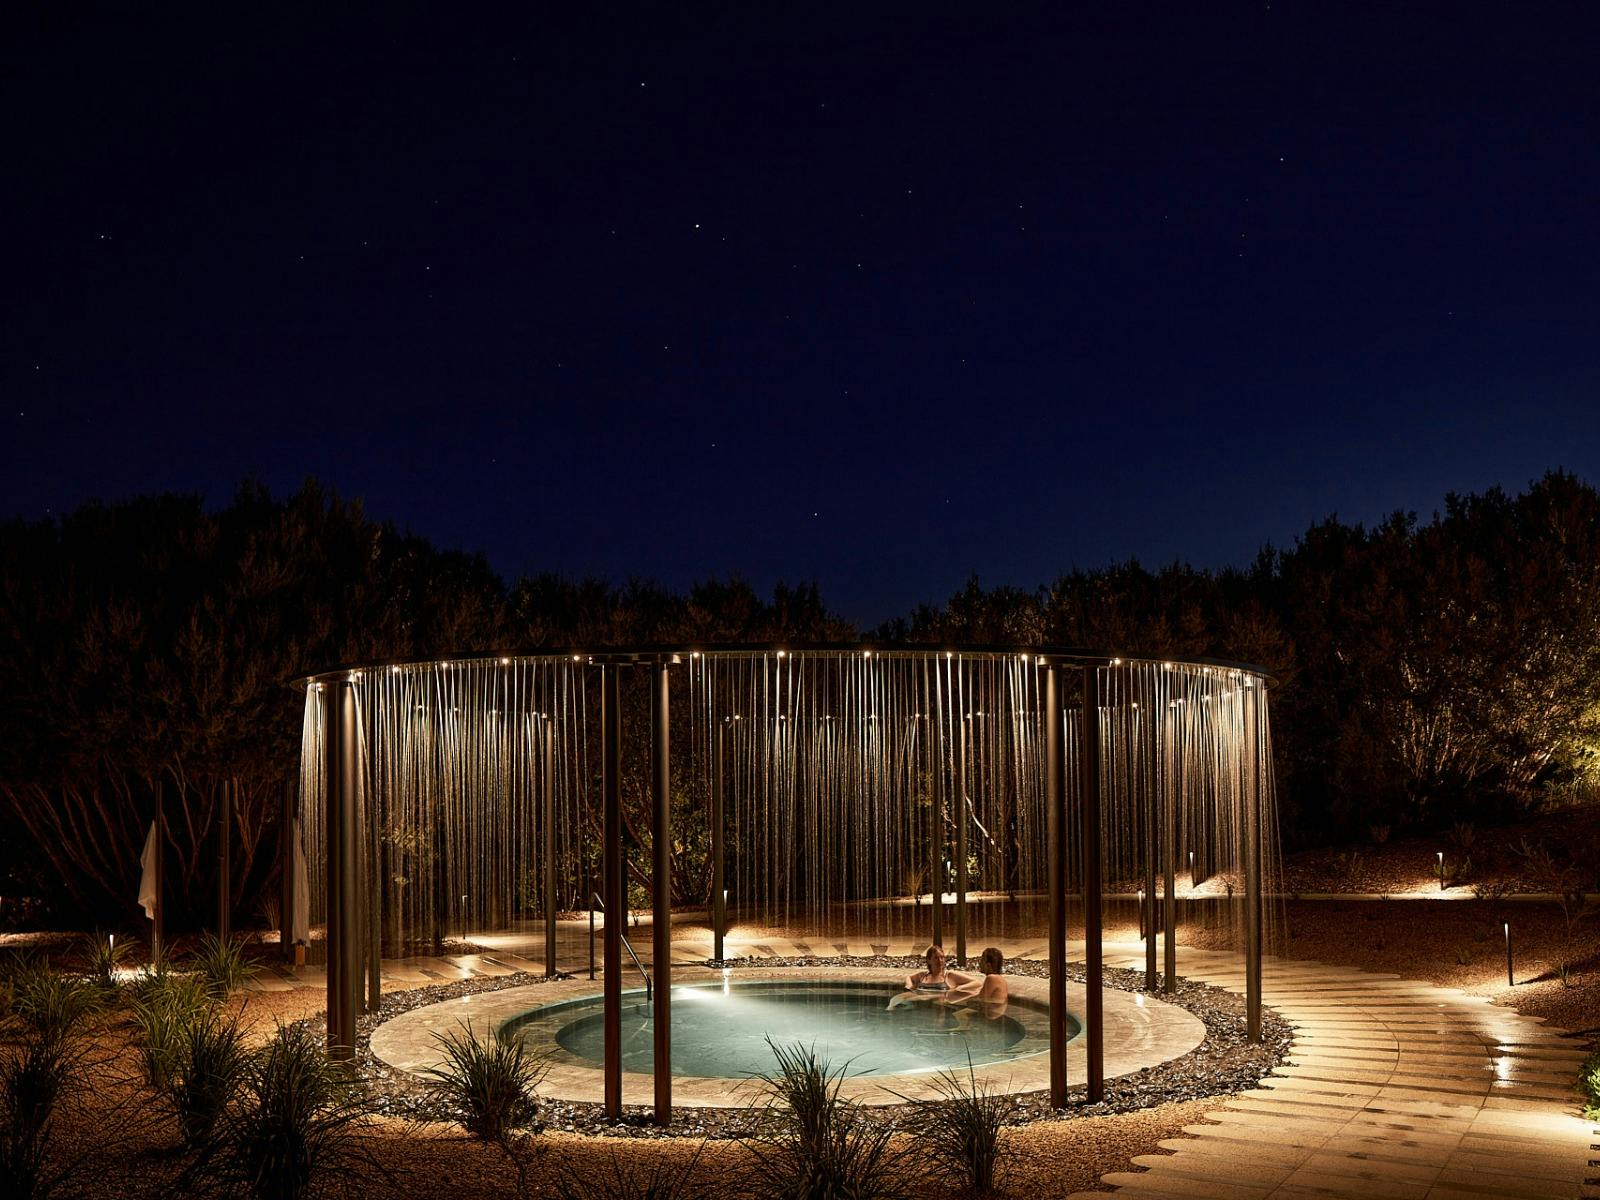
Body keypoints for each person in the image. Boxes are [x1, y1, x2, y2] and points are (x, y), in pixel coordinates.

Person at [940, 946, 1009, 1023]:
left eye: (982, 961)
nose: (979, 964)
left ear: (988, 965)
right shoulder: (1001, 979)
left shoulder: (991, 978)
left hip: (991, 1016)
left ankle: (963, 1031)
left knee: (958, 1014)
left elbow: (981, 1000)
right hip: (996, 1014)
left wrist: (962, 999)